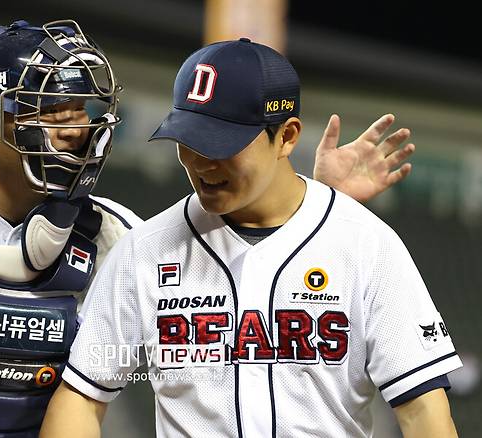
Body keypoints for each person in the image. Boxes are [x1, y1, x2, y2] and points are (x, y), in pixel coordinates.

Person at [0, 19, 413, 438]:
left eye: (86, 116)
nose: (78, 134)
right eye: (56, 117)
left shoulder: (119, 237)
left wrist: (324, 203)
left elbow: (243, 275)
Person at [40, 39, 461, 438]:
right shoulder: (144, 250)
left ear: (288, 136)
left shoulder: (367, 245)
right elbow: (81, 395)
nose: (201, 162)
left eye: (221, 143)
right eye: (188, 140)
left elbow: (424, 411)